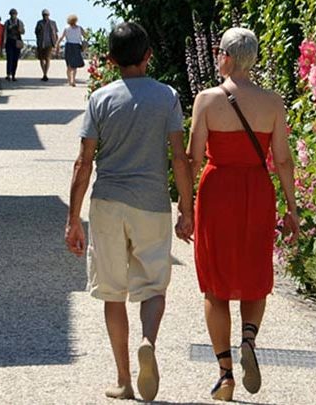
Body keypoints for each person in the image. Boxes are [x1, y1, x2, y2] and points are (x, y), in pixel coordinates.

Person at [65, 22, 194, 402]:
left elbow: (83, 161)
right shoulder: (167, 97)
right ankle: (147, 341)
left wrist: (73, 218)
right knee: (153, 285)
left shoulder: (100, 99)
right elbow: (179, 157)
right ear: (148, 56)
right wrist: (186, 208)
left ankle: (123, 379)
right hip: (151, 203)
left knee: (112, 292)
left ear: (110, 60)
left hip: (106, 203)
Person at [179, 27, 300, 401]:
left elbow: (194, 157)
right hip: (257, 190)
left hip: (218, 191)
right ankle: (249, 338)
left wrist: (185, 208)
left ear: (227, 57)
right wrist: (293, 208)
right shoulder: (273, 103)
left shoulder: (207, 99)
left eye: (219, 53)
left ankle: (225, 376)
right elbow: (282, 159)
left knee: (215, 286)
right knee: (254, 272)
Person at [57, 14, 86, 87]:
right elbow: (86, 35)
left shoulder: (66, 28)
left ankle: (70, 80)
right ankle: (73, 80)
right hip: (76, 46)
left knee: (69, 65)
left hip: (69, 46)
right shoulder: (79, 28)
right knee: (74, 65)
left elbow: (61, 37)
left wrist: (57, 44)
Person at [34, 9, 58, 82]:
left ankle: (45, 74)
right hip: (41, 43)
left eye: (46, 15)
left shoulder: (53, 23)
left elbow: (56, 33)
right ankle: (44, 73)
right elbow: (36, 32)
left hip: (50, 43)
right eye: (44, 15)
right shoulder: (39, 23)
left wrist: (56, 43)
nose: (45, 16)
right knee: (41, 59)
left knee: (47, 59)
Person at [4, 9, 24, 81]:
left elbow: (23, 32)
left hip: (17, 41)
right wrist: (4, 42)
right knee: (9, 58)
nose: (13, 15)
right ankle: (8, 74)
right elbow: (5, 32)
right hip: (9, 41)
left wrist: (19, 29)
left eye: (14, 14)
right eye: (12, 14)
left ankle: (13, 75)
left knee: (15, 59)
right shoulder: (7, 22)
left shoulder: (20, 22)